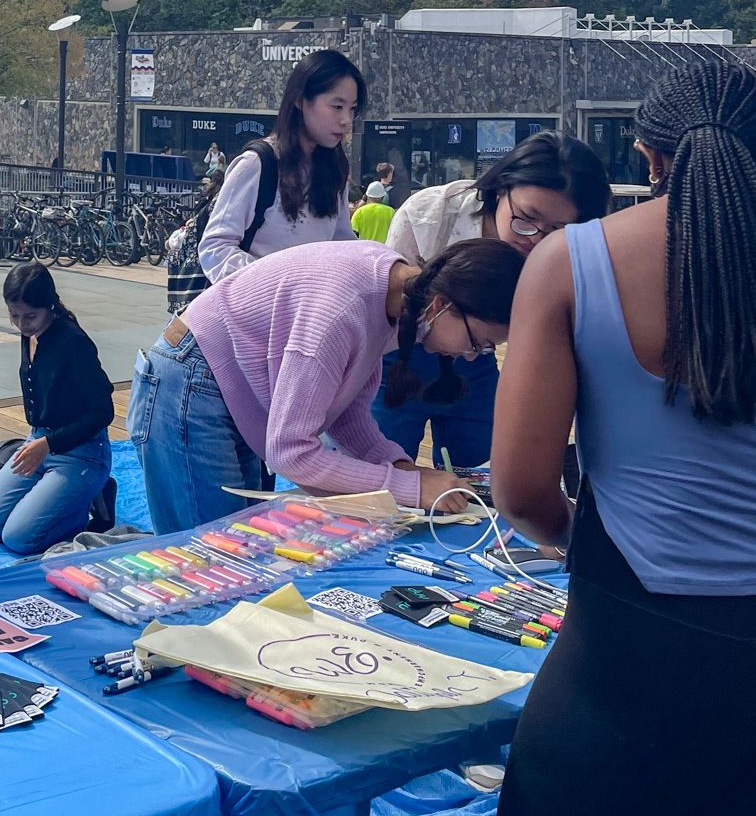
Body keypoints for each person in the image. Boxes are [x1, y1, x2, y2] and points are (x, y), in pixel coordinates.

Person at [472, 57, 756, 816]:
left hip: (616, 683)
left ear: (645, 153)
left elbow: (520, 487)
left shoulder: (574, 262)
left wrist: (591, 539)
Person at [130, 235, 522, 531]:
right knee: (210, 555)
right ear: (442, 306)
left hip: (223, 384)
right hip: (192, 384)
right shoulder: (341, 311)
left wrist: (404, 468)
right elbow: (292, 454)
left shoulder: (393, 296)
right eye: (479, 344)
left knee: (239, 542)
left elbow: (347, 415)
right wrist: (410, 490)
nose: (472, 356)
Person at [374, 131, 610, 469]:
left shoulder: (574, 250)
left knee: (479, 477)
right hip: (401, 353)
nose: (535, 239)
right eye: (526, 218)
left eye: (556, 229)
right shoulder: (431, 214)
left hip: (477, 360)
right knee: (380, 469)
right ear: (501, 187)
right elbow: (389, 303)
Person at [0, 262, 115, 554]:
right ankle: (64, 496)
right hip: (37, 441)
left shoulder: (74, 343)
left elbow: (103, 412)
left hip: (80, 454)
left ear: (50, 306)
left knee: (19, 538)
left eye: (30, 316)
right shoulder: (31, 334)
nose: (23, 325)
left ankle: (90, 502)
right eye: (15, 316)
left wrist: (49, 444)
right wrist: (40, 442)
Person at [198, 49, 364, 282]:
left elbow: (341, 242)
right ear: (299, 100)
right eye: (337, 107)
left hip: (307, 315)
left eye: (353, 108)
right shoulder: (258, 164)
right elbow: (215, 249)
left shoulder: (334, 168)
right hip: (256, 312)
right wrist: (279, 286)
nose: (346, 119)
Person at [165, 173, 222, 315]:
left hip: (196, 271)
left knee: (187, 320)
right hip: (209, 270)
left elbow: (191, 232)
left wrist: (170, 243)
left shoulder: (210, 204)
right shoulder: (221, 202)